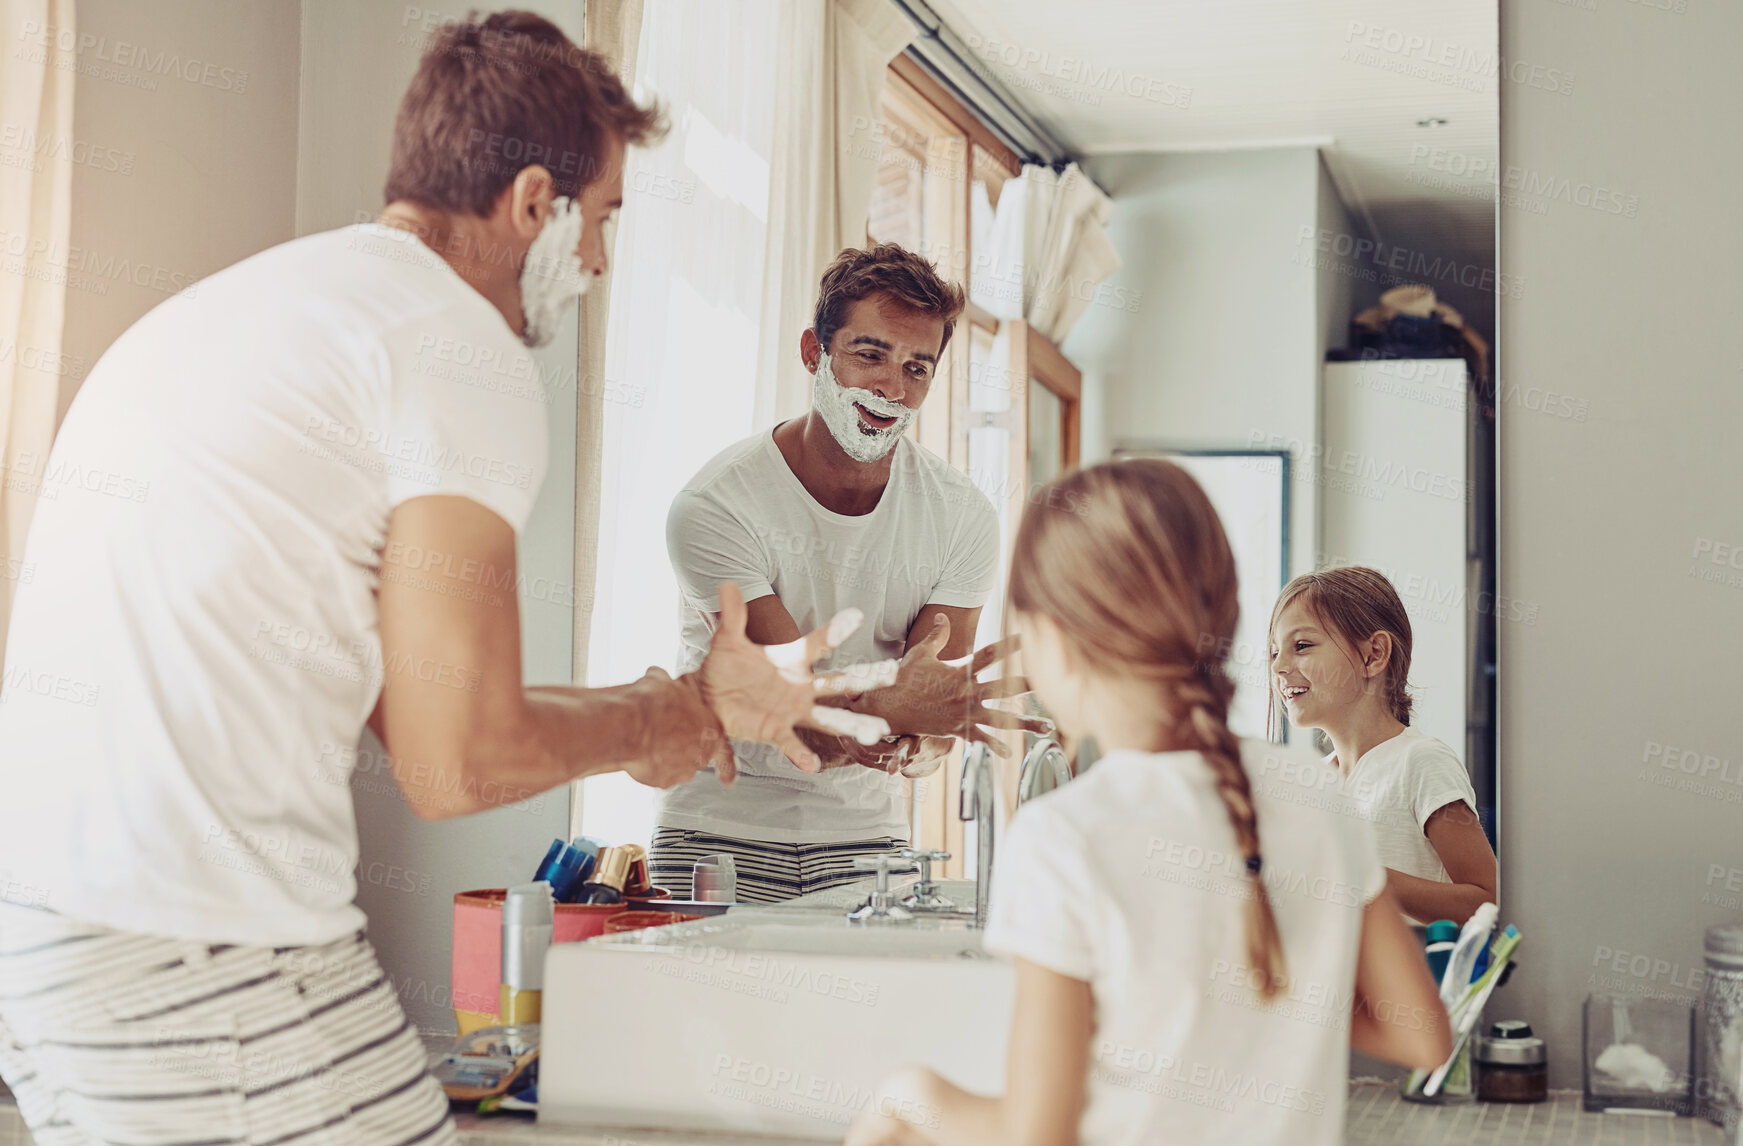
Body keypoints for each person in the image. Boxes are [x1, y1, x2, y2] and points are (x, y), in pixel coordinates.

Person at [0, 14, 878, 1146]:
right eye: (602, 219)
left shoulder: (261, 309)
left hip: (52, 945)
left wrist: (683, 710)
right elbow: (453, 760)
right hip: (201, 948)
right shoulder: (455, 344)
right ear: (530, 204)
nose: (602, 264)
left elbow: (402, 706)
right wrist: (653, 720)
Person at [848, 460, 1450, 1146]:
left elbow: (1035, 1138)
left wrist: (907, 1099)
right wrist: (1268, 999)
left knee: (907, 1098)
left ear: (1053, 642)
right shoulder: (1317, 793)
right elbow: (1423, 1037)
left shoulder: (1062, 836)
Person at [652, 243, 1045, 903]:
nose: (892, 389)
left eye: (916, 367)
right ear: (814, 352)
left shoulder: (961, 518)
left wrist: (921, 738)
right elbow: (799, 720)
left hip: (869, 842)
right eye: (870, 355)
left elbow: (927, 711)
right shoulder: (717, 505)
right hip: (718, 834)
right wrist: (904, 708)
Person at [1267, 566, 1498, 925]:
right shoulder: (1316, 782)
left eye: (1302, 646)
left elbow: (1488, 902)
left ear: (1374, 654)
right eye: (1272, 653)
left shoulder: (1421, 762)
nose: (1279, 666)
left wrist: (1361, 874)